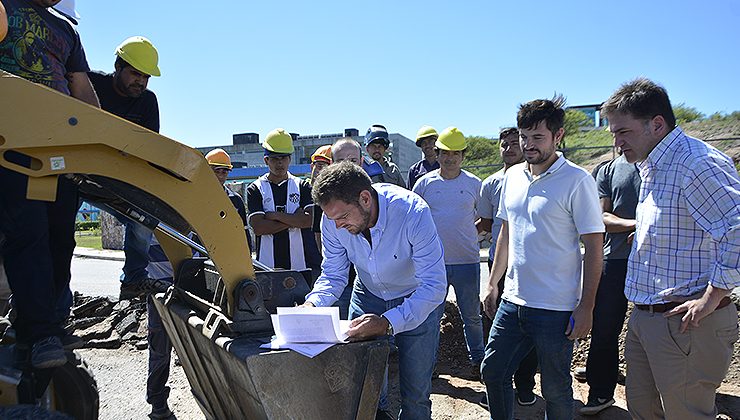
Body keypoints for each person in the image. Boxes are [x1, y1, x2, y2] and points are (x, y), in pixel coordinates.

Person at [601, 78, 739, 420]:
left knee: (686, 414)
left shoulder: (696, 163)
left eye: (623, 132)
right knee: (644, 410)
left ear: (657, 124)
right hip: (647, 317)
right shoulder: (653, 166)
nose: (617, 144)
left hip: (686, 322)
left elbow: (736, 230)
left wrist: (712, 298)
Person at [480, 96, 604, 420]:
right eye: (524, 136)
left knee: (556, 388)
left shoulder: (577, 180)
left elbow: (593, 245)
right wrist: (493, 283)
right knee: (492, 371)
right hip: (513, 301)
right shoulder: (513, 177)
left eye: (538, 137)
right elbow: (506, 232)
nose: (528, 144)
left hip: (556, 309)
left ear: (557, 136)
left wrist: (587, 305)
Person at [303, 161, 447, 419]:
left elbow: (434, 287)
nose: (337, 226)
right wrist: (312, 305)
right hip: (367, 295)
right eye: (332, 218)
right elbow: (334, 275)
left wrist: (386, 323)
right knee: (364, 389)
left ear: (365, 198)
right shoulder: (333, 218)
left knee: (415, 393)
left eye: (343, 217)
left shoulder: (412, 212)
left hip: (417, 299)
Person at [0, 0, 99, 369]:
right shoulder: (6, 8)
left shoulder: (66, 30)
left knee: (61, 239)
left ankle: (38, 323)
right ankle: (40, 333)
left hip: (60, 153)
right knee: (28, 235)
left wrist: (98, 141)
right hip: (12, 148)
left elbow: (82, 91)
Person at [87, 36, 167, 301]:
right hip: (77, 172)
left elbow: (149, 149)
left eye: (145, 77)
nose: (140, 82)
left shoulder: (147, 101)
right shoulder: (91, 84)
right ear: (118, 66)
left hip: (118, 179)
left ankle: (133, 279)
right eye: (135, 73)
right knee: (56, 232)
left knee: (144, 216)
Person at [412, 126, 485, 379]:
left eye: (455, 153)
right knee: (431, 317)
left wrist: (468, 236)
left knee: (472, 317)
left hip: (467, 262)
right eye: (445, 153)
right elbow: (414, 222)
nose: (450, 158)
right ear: (437, 153)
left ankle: (478, 361)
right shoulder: (424, 184)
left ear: (463, 155)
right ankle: (428, 365)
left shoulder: (475, 184)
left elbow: (484, 218)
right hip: (434, 265)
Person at [477, 127, 538, 407]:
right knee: (498, 324)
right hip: (499, 262)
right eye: (505, 144)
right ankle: (500, 385)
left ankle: (525, 384)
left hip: (530, 261)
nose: (511, 148)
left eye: (516, 143)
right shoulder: (491, 184)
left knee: (529, 326)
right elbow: (487, 224)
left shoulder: (537, 178)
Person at [578, 152, 640, 415]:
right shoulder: (608, 170)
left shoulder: (663, 166)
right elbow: (601, 217)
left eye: (623, 128)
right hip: (614, 260)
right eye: (614, 130)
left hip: (660, 261)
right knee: (604, 326)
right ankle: (601, 390)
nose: (618, 137)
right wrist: (639, 224)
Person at [247, 129, 320, 277]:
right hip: (267, 268)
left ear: (290, 159)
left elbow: (310, 221)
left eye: (284, 158)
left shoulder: (303, 186)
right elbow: (259, 228)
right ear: (266, 160)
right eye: (274, 158)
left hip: (302, 267)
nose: (280, 163)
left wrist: (274, 215)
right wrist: (294, 219)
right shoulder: (255, 188)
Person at [205, 148, 251, 250]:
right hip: (202, 252)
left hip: (228, 253)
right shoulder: (196, 198)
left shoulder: (235, 200)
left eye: (224, 171)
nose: (221, 176)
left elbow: (244, 231)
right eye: (217, 171)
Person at [309, 145, 332, 252]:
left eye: (325, 166)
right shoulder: (303, 190)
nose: (321, 171)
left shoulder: (338, 198)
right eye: (318, 165)